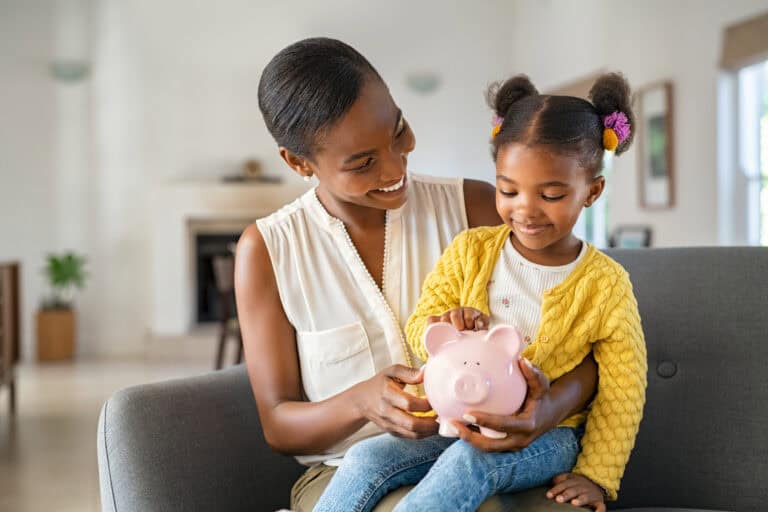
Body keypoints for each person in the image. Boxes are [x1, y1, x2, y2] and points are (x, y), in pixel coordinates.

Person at [235, 37, 599, 512]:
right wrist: (359, 402)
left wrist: (546, 411)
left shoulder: (477, 208)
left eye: (398, 130)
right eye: (363, 163)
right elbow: (278, 425)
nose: (395, 165)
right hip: (346, 475)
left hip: (488, 451)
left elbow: (592, 334)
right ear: (298, 162)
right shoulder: (268, 250)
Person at [313, 73, 647, 512]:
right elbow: (421, 326)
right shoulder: (471, 250)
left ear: (592, 192)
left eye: (550, 194)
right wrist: (443, 324)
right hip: (456, 419)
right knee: (367, 457)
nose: (524, 209)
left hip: (552, 434)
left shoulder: (606, 285)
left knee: (469, 463)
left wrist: (596, 477)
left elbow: (625, 389)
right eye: (508, 190)